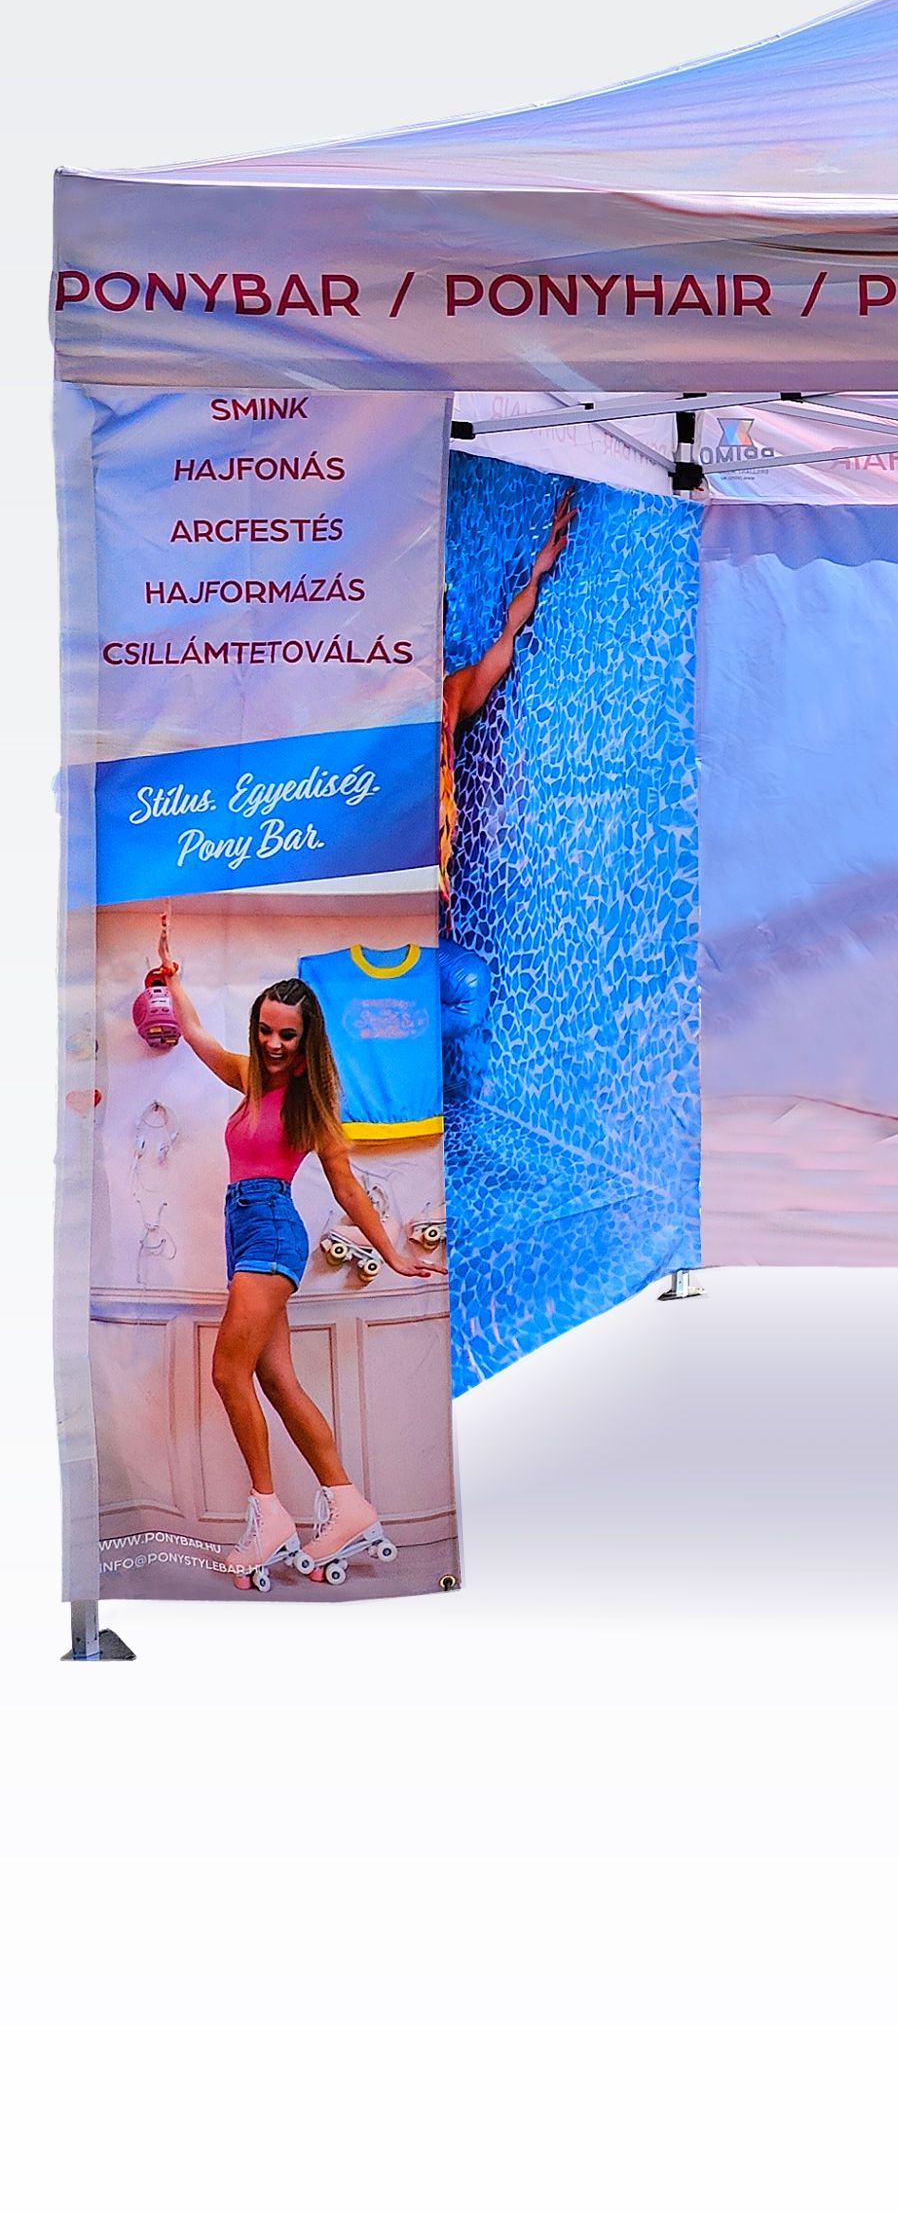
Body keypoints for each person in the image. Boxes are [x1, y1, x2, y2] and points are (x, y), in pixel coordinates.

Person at [159, 952, 443, 1587]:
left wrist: (393, 1253)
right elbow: (197, 1035)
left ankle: (269, 1517)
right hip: (244, 1232)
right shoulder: (248, 1077)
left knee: (227, 1372)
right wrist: (174, 982)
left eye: (287, 1034)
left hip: (270, 1230)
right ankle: (347, 1503)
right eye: (265, 1029)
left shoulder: (310, 1105)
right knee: (278, 1380)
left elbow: (347, 1189)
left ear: (306, 1038)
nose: (273, 1043)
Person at [437, 485, 574, 1098]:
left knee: (468, 995)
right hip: (384, 891)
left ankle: (400, 1037)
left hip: (427, 897)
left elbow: (504, 644)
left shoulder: (448, 695)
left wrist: (540, 570)